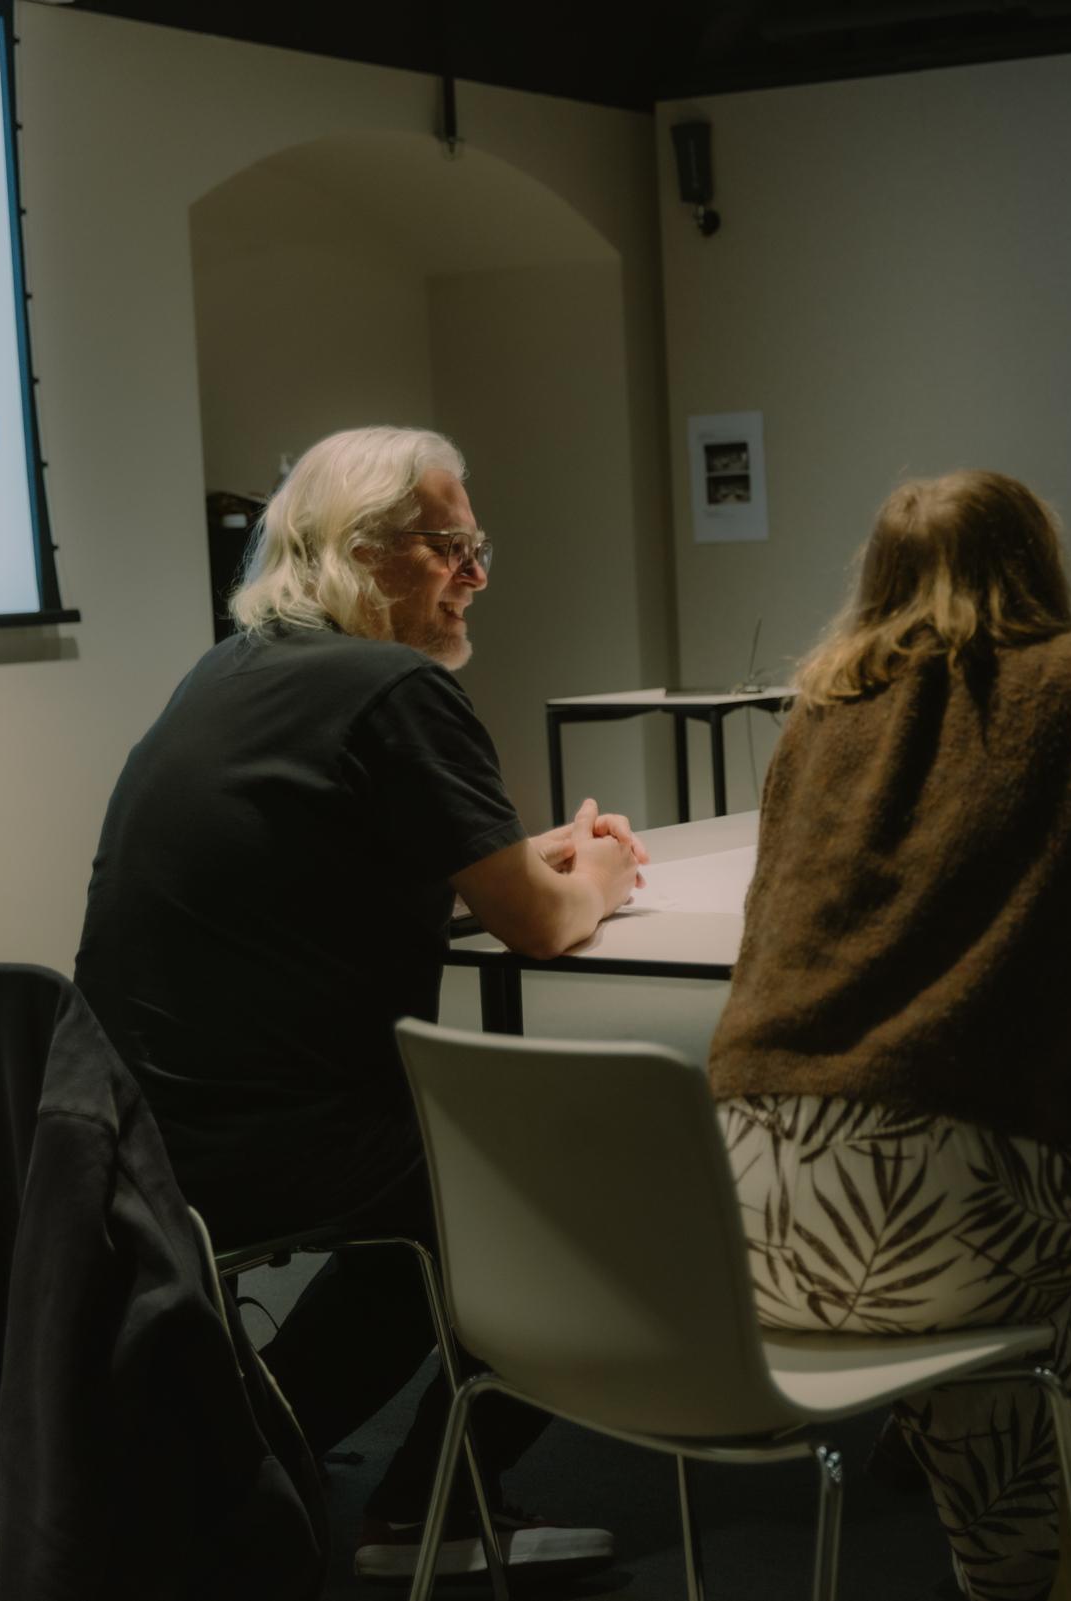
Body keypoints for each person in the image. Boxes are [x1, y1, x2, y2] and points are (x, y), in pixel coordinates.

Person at [706, 470, 1071, 1601]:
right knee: (1051, 1284)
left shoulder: (820, 708)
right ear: (1039, 560)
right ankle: (1056, 1551)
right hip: (956, 1198)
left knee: (1032, 1316)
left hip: (745, 1216)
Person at [74, 426, 645, 1581]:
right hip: (282, 1135)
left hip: (136, 1131)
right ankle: (420, 1501)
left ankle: (254, 1449)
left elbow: (327, 869)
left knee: (438, 1203)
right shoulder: (393, 688)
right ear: (362, 551)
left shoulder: (228, 672)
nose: (476, 574)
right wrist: (605, 872)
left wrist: (516, 860)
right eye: (450, 546)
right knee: (586, 1188)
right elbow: (540, 922)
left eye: (478, 547)